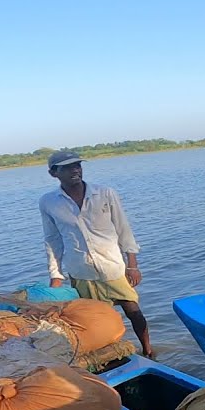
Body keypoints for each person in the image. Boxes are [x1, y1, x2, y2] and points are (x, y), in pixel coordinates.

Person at [39, 149, 153, 357]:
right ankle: (112, 356)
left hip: (112, 266)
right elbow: (53, 240)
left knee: (133, 311)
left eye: (78, 165)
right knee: (95, 321)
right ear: (53, 173)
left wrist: (133, 264)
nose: (75, 170)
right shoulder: (49, 202)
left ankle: (148, 351)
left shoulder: (105, 193)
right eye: (67, 167)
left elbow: (123, 229)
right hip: (81, 271)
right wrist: (55, 275)